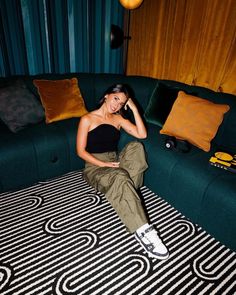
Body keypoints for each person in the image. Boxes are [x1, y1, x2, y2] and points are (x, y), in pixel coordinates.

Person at [76, 83, 169, 260]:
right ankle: (144, 231)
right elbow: (80, 152)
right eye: (116, 98)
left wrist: (134, 108)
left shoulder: (118, 119)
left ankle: (124, 193)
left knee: (136, 147)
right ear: (106, 95)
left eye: (122, 103)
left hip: (114, 161)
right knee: (119, 176)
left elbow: (142, 134)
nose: (117, 105)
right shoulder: (87, 119)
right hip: (95, 166)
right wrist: (103, 165)